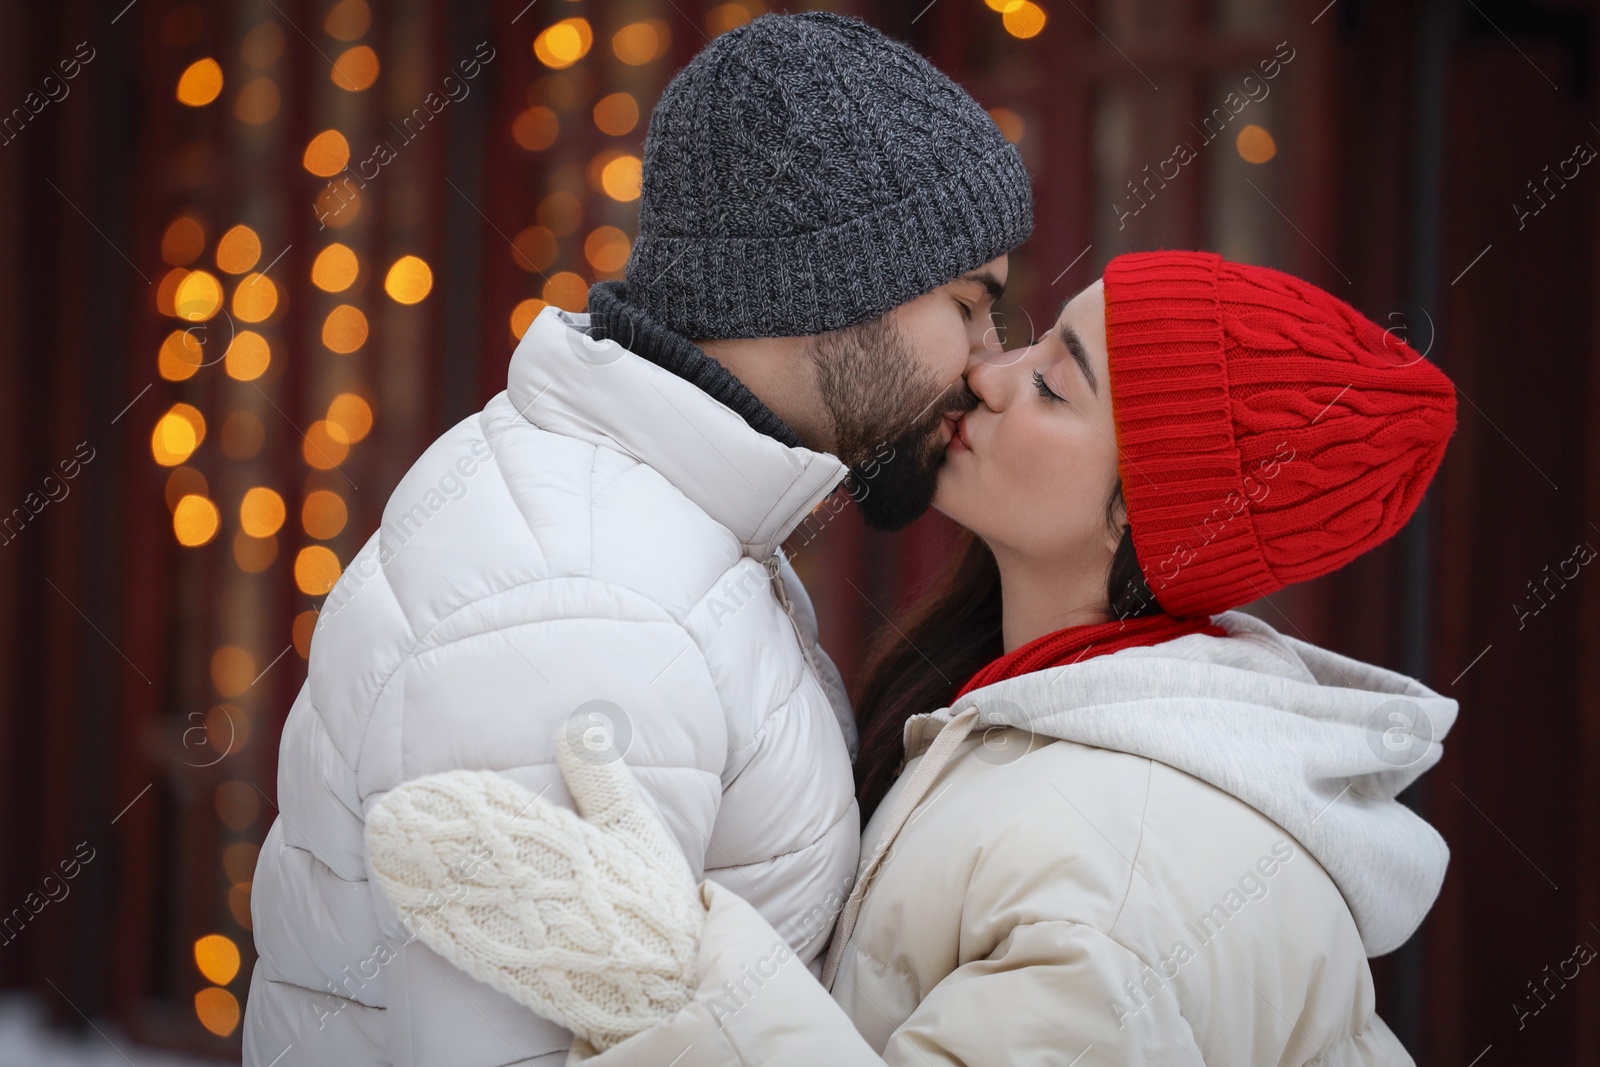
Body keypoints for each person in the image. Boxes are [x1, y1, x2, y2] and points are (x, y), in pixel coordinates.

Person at [365, 251, 1460, 1065]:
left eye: (1052, 384)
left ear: (1145, 515)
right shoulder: (1020, 719)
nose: (989, 373)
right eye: (1027, 336)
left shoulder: (1128, 864)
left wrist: (665, 973)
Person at [241, 12, 1033, 1066]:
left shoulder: (672, 531)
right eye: (970, 303)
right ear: (830, 288)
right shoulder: (583, 600)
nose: (988, 362)